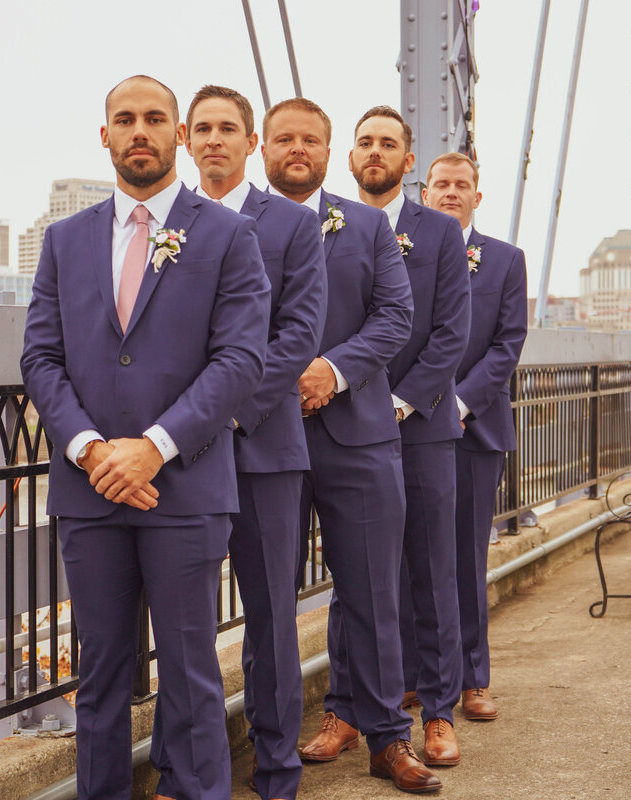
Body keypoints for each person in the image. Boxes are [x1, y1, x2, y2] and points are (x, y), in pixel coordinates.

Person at [20, 74, 270, 800]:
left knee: (191, 672)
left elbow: (241, 359)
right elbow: (40, 356)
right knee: (96, 676)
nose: (140, 130)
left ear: (180, 136)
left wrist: (153, 445)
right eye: (124, 119)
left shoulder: (229, 235)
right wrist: (93, 450)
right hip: (90, 492)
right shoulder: (65, 241)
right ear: (105, 135)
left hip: (185, 488)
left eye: (155, 118)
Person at [262, 96, 441, 794]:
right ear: (263, 148)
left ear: (328, 151)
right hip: (265, 437)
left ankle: (387, 739)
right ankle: (274, 753)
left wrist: (329, 371)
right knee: (272, 602)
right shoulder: (226, 227)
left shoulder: (366, 227)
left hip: (357, 432)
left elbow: (395, 317)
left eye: (310, 139)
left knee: (372, 594)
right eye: (284, 139)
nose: (296, 149)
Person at [182, 84, 327, 800]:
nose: (215, 139)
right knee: (184, 627)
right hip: (182, 459)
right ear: (187, 140)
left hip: (263, 447)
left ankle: (276, 770)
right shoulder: (161, 223)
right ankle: (187, 770)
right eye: (203, 128)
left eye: (229, 128)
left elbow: (300, 331)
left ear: (252, 145)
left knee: (270, 617)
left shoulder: (292, 225)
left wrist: (224, 413)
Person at [342, 106, 470, 767]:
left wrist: (398, 400)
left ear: (407, 160)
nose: (374, 152)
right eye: (364, 142)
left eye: (387, 143)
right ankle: (345, 710)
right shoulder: (329, 223)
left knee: (430, 572)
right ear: (351, 155)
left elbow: (451, 331)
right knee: (354, 575)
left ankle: (439, 715)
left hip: (417, 425)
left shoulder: (440, 233)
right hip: (344, 423)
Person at [421, 151, 527, 724]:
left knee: (464, 559)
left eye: (462, 185)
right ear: (426, 190)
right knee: (409, 560)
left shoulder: (506, 261)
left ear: (477, 197)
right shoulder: (400, 253)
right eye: (442, 184)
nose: (452, 193)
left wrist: (455, 403)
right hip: (407, 427)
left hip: (472, 430)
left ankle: (472, 678)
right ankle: (420, 676)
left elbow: (507, 346)